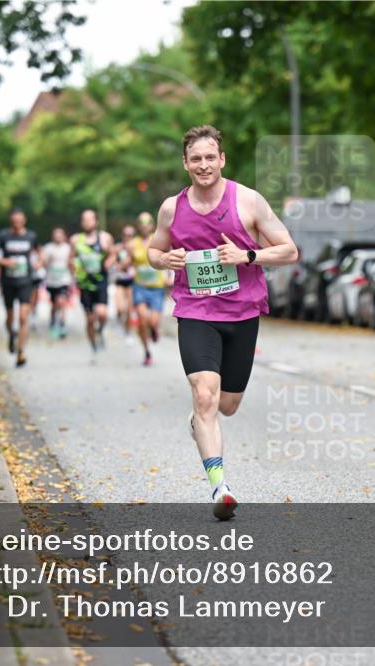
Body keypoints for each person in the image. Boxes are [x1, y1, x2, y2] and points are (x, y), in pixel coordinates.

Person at [148, 125, 298, 519]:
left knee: (226, 406)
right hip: (195, 312)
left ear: (222, 160)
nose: (203, 165)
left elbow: (289, 250)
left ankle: (200, 422)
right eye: (195, 159)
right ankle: (220, 488)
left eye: (210, 157)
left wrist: (248, 256)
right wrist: (164, 260)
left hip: (242, 313)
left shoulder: (248, 201)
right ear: (185, 163)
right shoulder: (171, 208)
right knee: (204, 395)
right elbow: (153, 250)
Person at [0, 208, 40, 367]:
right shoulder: (3, 236)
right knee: (10, 318)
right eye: (14, 221)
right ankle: (11, 334)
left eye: (19, 221)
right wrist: (4, 262)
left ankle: (21, 351)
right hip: (8, 282)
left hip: (25, 281)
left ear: (24, 221)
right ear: (11, 222)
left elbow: (40, 252)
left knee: (23, 317)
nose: (17, 224)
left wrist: (39, 263)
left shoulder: (31, 236)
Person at [69, 209, 115, 353]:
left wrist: (108, 262)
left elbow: (113, 254)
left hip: (100, 280)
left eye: (90, 219)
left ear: (96, 222)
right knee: (89, 319)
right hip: (85, 283)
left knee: (102, 313)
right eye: (85, 220)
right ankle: (93, 343)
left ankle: (100, 330)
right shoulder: (76, 240)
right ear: (81, 222)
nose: (88, 222)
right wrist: (73, 270)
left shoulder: (105, 238)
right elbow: (70, 259)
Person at [130, 213, 168, 366]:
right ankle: (146, 351)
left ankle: (154, 329)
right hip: (140, 287)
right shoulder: (133, 243)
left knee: (153, 321)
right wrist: (122, 265)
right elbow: (128, 262)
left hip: (157, 288)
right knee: (142, 319)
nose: (145, 226)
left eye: (147, 223)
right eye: (142, 223)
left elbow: (167, 257)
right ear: (138, 226)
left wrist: (170, 276)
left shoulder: (158, 239)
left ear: (152, 225)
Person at [42, 227, 73, 339]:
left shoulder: (68, 248)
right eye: (56, 235)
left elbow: (71, 262)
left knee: (62, 302)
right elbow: (43, 262)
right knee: (54, 304)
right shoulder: (48, 248)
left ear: (64, 236)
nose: (58, 237)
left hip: (64, 280)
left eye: (60, 235)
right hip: (51, 280)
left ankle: (62, 324)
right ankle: (53, 322)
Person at [114, 223, 138, 345]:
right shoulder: (118, 248)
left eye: (130, 235)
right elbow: (113, 262)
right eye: (126, 235)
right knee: (119, 308)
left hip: (132, 281)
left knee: (129, 309)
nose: (128, 237)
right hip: (120, 280)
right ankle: (119, 322)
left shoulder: (137, 248)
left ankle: (128, 332)